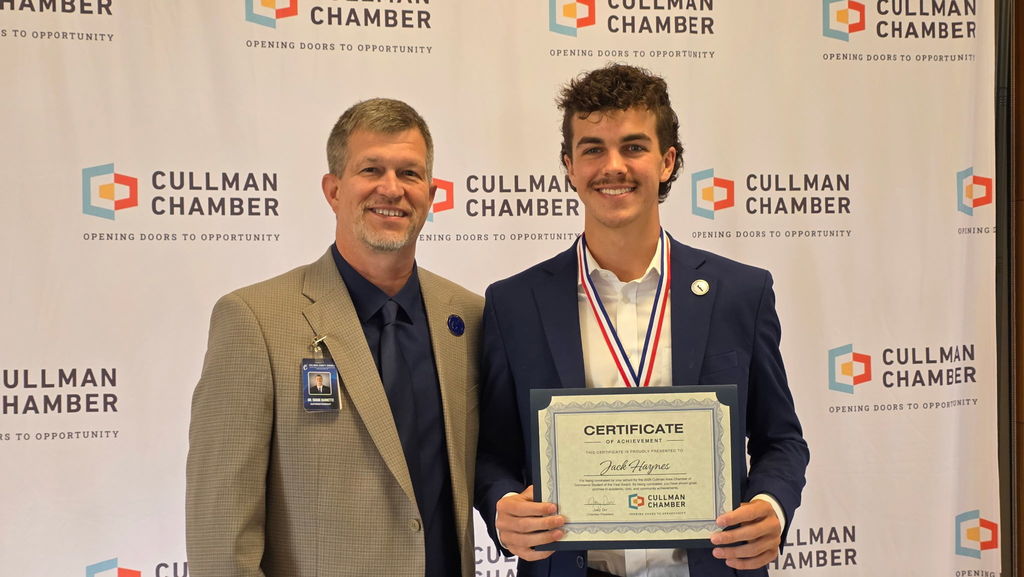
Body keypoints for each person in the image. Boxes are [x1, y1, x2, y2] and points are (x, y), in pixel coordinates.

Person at [474, 64, 809, 577]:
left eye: (633, 147)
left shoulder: (741, 293)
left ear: (667, 161)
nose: (613, 166)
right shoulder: (514, 304)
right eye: (592, 149)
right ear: (569, 166)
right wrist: (503, 507)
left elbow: (781, 440)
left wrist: (772, 505)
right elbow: (492, 453)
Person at [186, 98, 483, 577]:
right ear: (334, 189)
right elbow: (220, 535)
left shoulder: (468, 317)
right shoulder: (254, 320)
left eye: (409, 173)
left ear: (431, 193)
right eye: (371, 169)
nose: (392, 188)